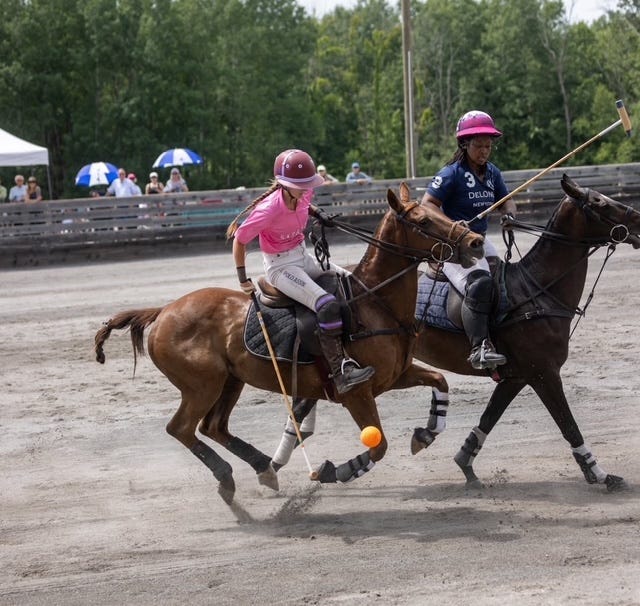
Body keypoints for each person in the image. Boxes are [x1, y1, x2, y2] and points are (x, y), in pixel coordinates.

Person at [227, 148, 375, 395]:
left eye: (309, 184)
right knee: (326, 304)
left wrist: (320, 214)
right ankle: (340, 372)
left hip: (302, 256)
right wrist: (243, 279)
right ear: (284, 185)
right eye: (301, 185)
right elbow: (239, 240)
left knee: (354, 282)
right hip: (280, 267)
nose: (307, 188)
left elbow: (306, 203)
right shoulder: (268, 209)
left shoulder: (303, 193)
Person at [420, 110, 517, 370]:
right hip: (452, 245)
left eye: (488, 146)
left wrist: (507, 215)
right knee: (480, 284)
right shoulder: (451, 173)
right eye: (479, 145)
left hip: (479, 239)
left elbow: (506, 200)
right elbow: (426, 205)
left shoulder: (493, 173)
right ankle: (479, 348)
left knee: (507, 280)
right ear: (464, 144)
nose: (485, 151)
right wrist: (452, 226)